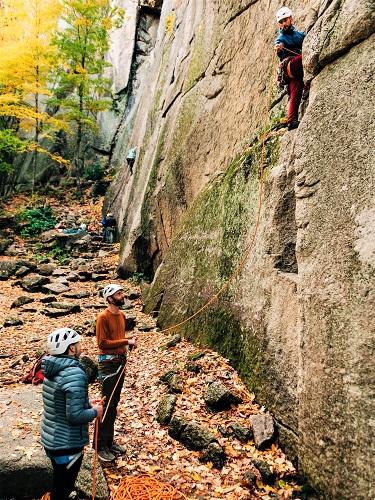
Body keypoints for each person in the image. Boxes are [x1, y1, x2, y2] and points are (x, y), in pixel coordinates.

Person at [40, 328, 103, 500]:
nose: (81, 345)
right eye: (78, 343)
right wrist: (94, 412)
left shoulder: (51, 368)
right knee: (62, 491)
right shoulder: (74, 372)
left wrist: (88, 403)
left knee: (59, 484)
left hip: (52, 440)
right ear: (71, 348)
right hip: (67, 444)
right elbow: (74, 416)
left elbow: (59, 402)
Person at [94, 283, 137, 463]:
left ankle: (109, 442)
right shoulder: (102, 317)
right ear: (110, 298)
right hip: (108, 366)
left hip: (120, 363)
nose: (122, 296)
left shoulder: (122, 315)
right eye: (119, 294)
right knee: (107, 405)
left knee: (114, 404)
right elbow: (102, 343)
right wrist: (126, 341)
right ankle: (99, 446)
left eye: (122, 293)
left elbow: (119, 340)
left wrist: (128, 342)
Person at [274, 7, 307, 131]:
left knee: (295, 89)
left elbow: (308, 40)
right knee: (304, 58)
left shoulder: (300, 35)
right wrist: (278, 49)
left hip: (294, 73)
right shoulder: (281, 39)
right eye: (281, 22)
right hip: (290, 65)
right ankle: (307, 87)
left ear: (290, 19)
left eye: (285, 20)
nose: (283, 24)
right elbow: (278, 47)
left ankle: (291, 120)